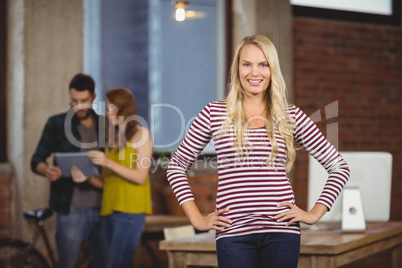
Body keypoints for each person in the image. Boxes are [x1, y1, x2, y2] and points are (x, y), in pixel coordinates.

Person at [166, 34, 350, 268]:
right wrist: (196, 218)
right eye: (247, 64)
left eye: (263, 64)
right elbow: (176, 166)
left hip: (282, 234)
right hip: (233, 235)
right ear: (237, 69)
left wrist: (314, 214)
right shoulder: (214, 113)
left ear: (272, 70)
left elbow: (339, 167)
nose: (255, 73)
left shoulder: (290, 115)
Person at [31, 73, 108, 268]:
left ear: (93, 97)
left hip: (105, 207)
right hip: (71, 209)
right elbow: (36, 160)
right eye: (74, 100)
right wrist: (46, 170)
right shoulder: (56, 124)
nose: (78, 105)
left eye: (84, 101)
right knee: (67, 264)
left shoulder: (105, 125)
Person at [71, 87, 153, 268]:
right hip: (108, 211)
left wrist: (108, 163)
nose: (107, 112)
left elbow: (140, 176)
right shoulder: (111, 141)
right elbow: (104, 183)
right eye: (107, 108)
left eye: (111, 107)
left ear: (125, 108)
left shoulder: (142, 135)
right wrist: (85, 177)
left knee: (117, 264)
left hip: (130, 212)